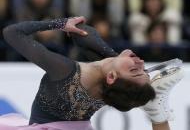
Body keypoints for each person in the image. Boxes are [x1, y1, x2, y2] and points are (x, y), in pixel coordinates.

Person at [3, 16, 182, 130]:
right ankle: (157, 113)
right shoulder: (113, 87)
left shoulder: (65, 71)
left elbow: (12, 32)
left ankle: (155, 110)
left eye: (135, 69)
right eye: (141, 69)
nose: (141, 62)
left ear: (111, 77)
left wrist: (59, 23)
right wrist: (120, 61)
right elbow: (83, 33)